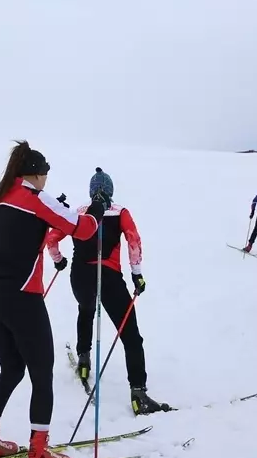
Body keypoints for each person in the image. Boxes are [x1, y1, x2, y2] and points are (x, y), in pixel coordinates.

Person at [0, 141, 104, 458]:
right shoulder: (35, 198)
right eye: (45, 176)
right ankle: (39, 453)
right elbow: (82, 229)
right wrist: (95, 211)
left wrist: (55, 218)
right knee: (41, 373)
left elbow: (29, 229)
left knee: (12, 368)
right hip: (23, 298)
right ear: (37, 175)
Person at [46, 167, 170, 416]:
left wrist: (58, 260)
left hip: (80, 276)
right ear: (110, 191)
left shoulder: (78, 212)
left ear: (91, 192)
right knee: (130, 334)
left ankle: (84, 359)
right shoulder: (121, 212)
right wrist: (137, 274)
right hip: (110, 276)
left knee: (86, 310)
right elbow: (133, 239)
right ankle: (138, 392)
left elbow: (51, 238)